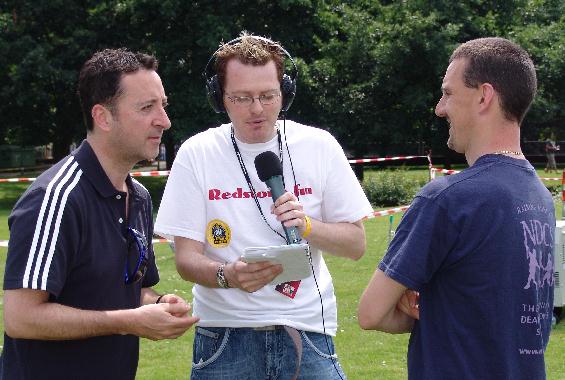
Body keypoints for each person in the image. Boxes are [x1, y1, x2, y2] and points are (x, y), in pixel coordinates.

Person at [155, 32, 373, 379]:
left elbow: (357, 244)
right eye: (241, 98)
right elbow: (185, 259)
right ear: (219, 98)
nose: (257, 109)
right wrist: (228, 276)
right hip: (225, 339)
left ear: (285, 93)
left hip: (307, 332)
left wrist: (309, 227)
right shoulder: (196, 153)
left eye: (268, 96)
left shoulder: (319, 145)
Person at [358, 37, 555, 379]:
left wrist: (422, 310)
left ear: (484, 96)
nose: (439, 107)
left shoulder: (447, 199)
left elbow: (370, 313)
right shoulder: (539, 195)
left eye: (448, 93)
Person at [0, 48, 199, 379]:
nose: (164, 120)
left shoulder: (138, 197)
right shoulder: (56, 198)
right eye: (147, 107)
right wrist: (127, 322)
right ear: (103, 117)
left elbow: (127, 292)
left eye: (163, 106)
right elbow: (21, 318)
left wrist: (158, 303)